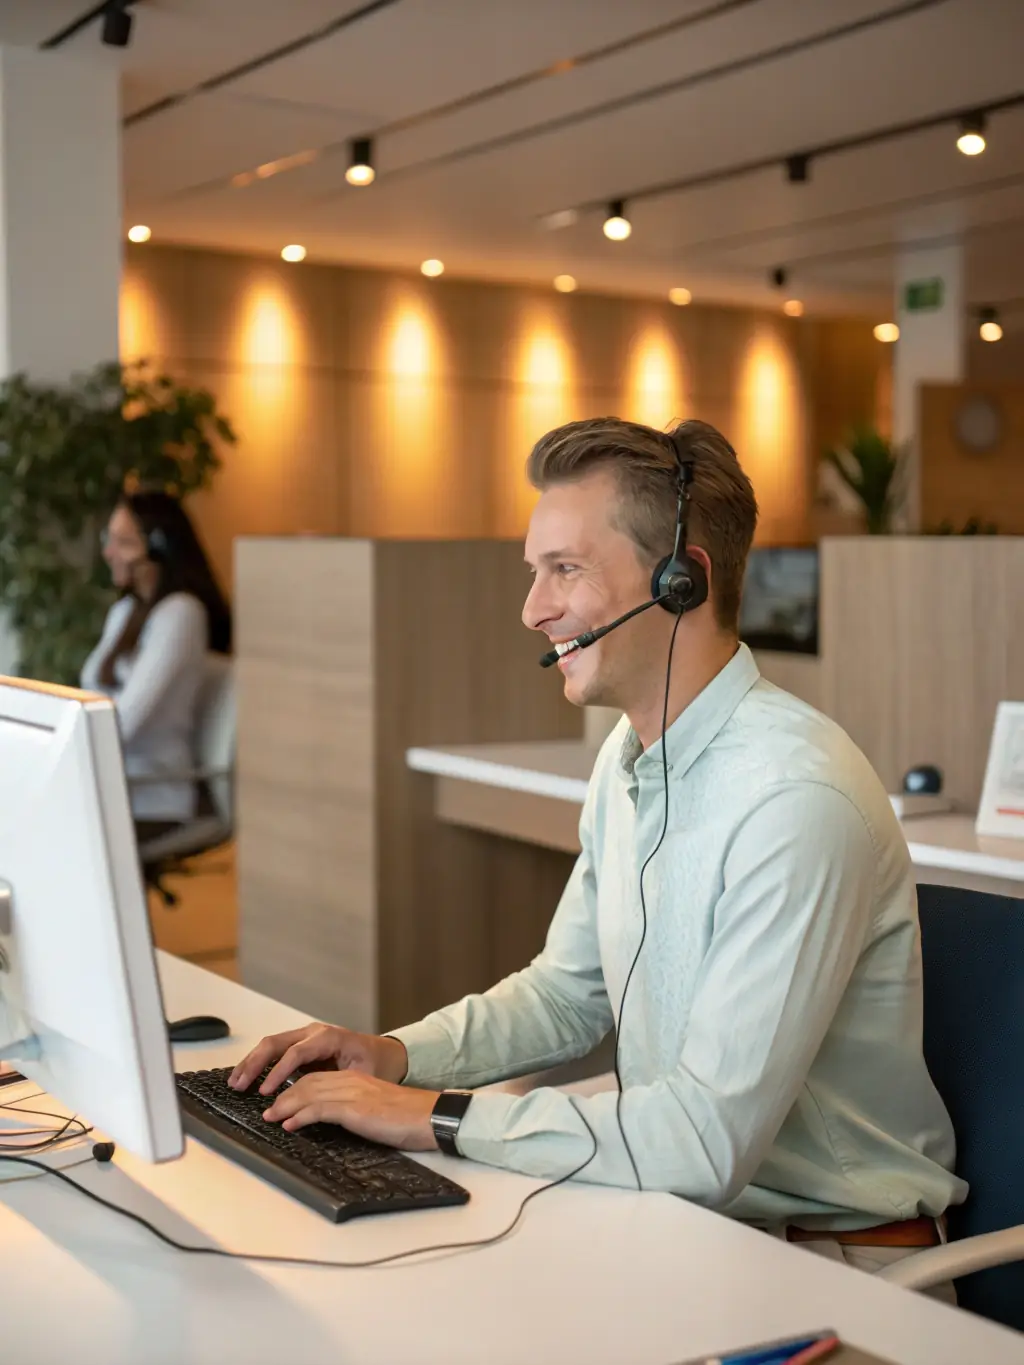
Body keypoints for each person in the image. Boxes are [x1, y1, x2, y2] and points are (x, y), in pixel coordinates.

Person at [230, 417, 965, 1289]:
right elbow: (564, 996)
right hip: (688, 1220)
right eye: (534, 570)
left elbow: (701, 1141)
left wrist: (431, 1115)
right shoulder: (628, 759)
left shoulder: (794, 800)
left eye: (565, 569)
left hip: (834, 1263)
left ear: (680, 581)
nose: (532, 609)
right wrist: (394, 1055)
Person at [81, 489, 231, 842]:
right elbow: (90, 694)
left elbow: (122, 723)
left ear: (159, 548)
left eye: (123, 542)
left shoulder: (181, 615)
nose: (108, 553)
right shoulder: (124, 612)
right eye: (108, 539)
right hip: (112, 790)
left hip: (152, 797)